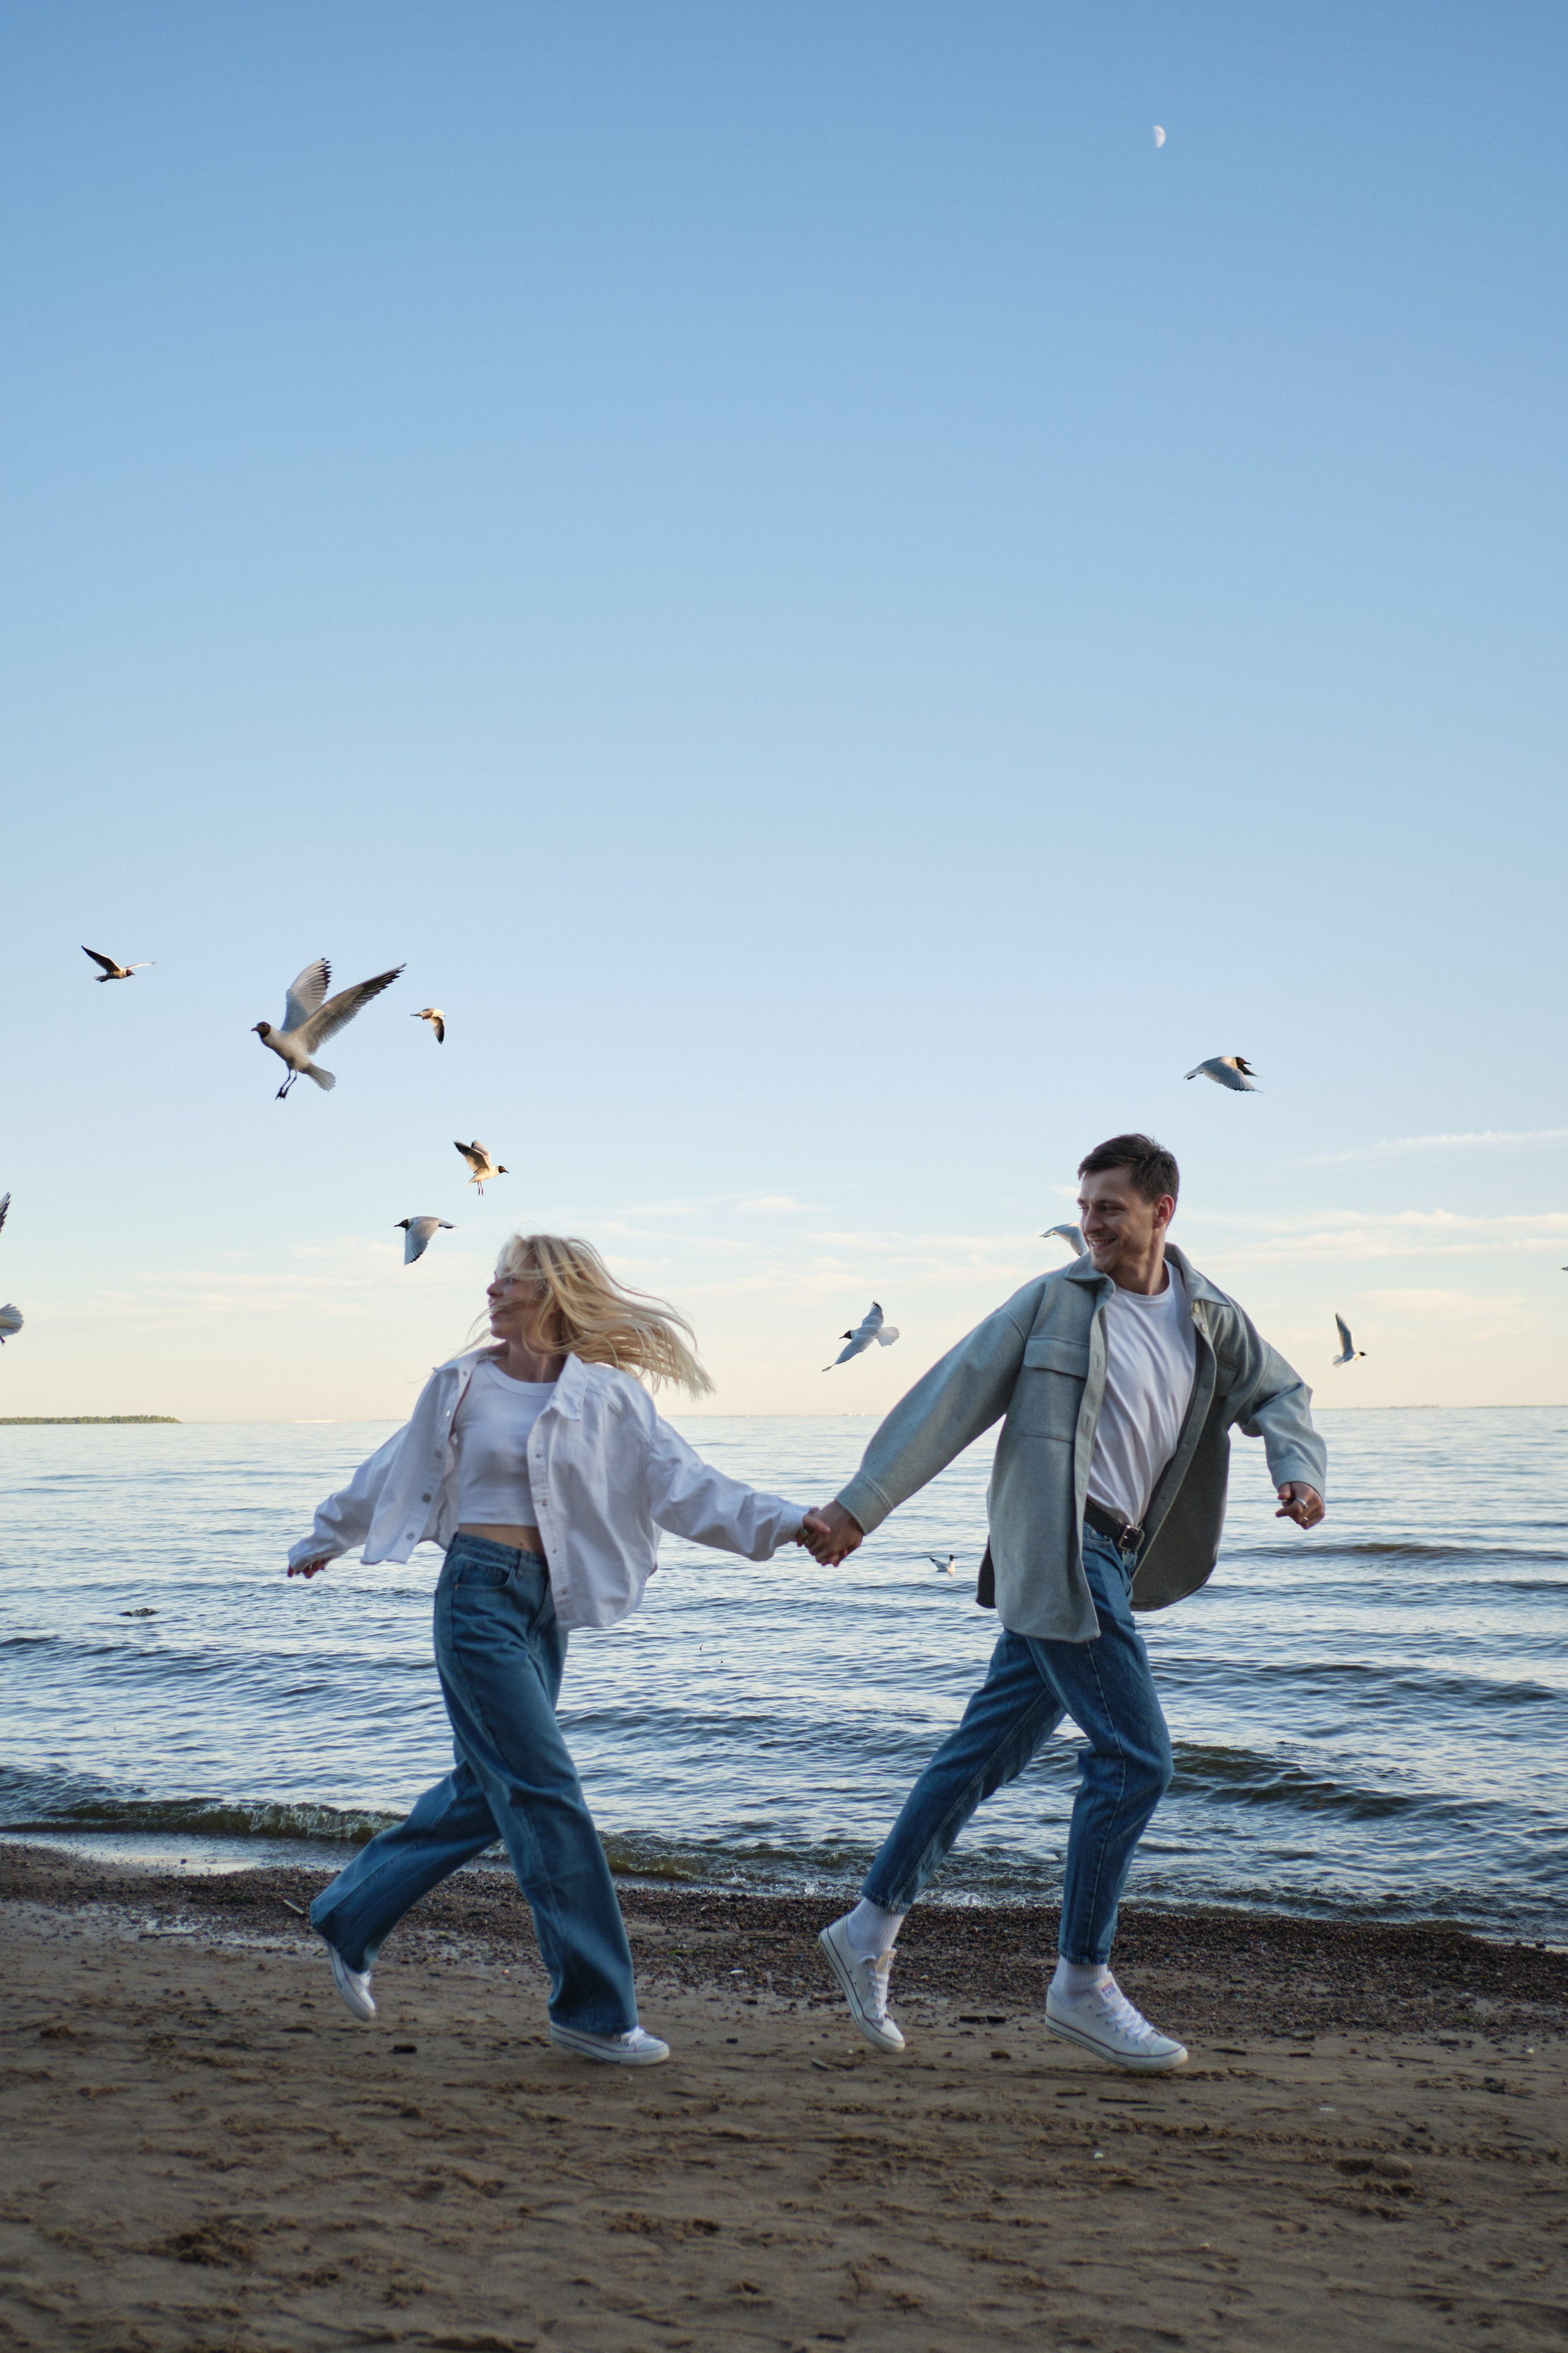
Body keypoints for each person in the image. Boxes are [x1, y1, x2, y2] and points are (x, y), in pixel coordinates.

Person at [801, 1134, 1326, 2074]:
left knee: (982, 1754)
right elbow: (949, 1396)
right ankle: (1081, 1980)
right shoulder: (1052, 1302)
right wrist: (860, 1507)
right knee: (1137, 1758)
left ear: (1164, 1211)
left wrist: (1296, 1469)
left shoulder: (1209, 1315)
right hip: (1062, 1546)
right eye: (1084, 1206)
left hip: (1119, 1555)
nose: (1090, 1223)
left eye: (1110, 1207)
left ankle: (867, 1925)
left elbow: (1281, 1390)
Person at [287, 1233, 808, 2066]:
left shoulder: (608, 1395)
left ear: (554, 1291)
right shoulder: (460, 1383)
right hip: (476, 1595)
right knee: (547, 1790)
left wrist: (788, 1522)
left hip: (547, 1606)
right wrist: (329, 1534)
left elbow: (685, 1483)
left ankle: (350, 1913)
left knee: (487, 1791)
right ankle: (594, 2009)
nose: (491, 1288)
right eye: (493, 1277)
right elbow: (391, 1465)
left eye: (511, 1278)